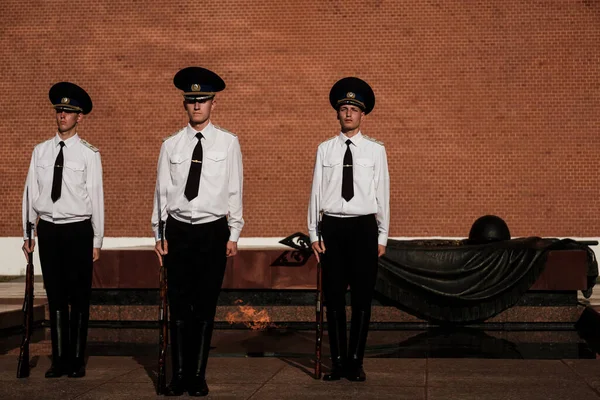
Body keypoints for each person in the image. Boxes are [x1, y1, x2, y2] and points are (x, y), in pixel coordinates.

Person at [152, 66, 244, 397]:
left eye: (202, 100)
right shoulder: (171, 145)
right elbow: (161, 194)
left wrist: (234, 233)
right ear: (184, 104)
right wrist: (158, 234)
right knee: (179, 305)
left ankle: (198, 376)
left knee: (204, 305)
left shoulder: (228, 143)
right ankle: (179, 375)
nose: (196, 106)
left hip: (211, 231)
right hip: (178, 231)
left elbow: (235, 190)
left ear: (212, 104)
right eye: (191, 100)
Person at [308, 77, 390, 382]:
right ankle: (338, 361)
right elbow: (316, 192)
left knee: (361, 300)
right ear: (337, 113)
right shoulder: (325, 150)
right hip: (333, 229)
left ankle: (356, 362)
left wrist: (382, 235)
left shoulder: (375, 151)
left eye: (353, 109)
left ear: (362, 114)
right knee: (333, 299)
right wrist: (314, 233)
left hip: (363, 228)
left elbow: (383, 193)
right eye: (343, 108)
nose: (348, 113)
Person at [22, 82, 104, 378]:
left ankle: (77, 360)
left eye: (68, 111)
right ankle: (59, 360)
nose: (62, 115)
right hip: (50, 231)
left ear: (79, 117)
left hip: (78, 229)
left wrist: (97, 238)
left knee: (79, 296)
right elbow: (31, 193)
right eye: (59, 110)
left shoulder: (88, 154)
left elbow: (96, 197)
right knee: (55, 295)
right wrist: (28, 232)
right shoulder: (41, 151)